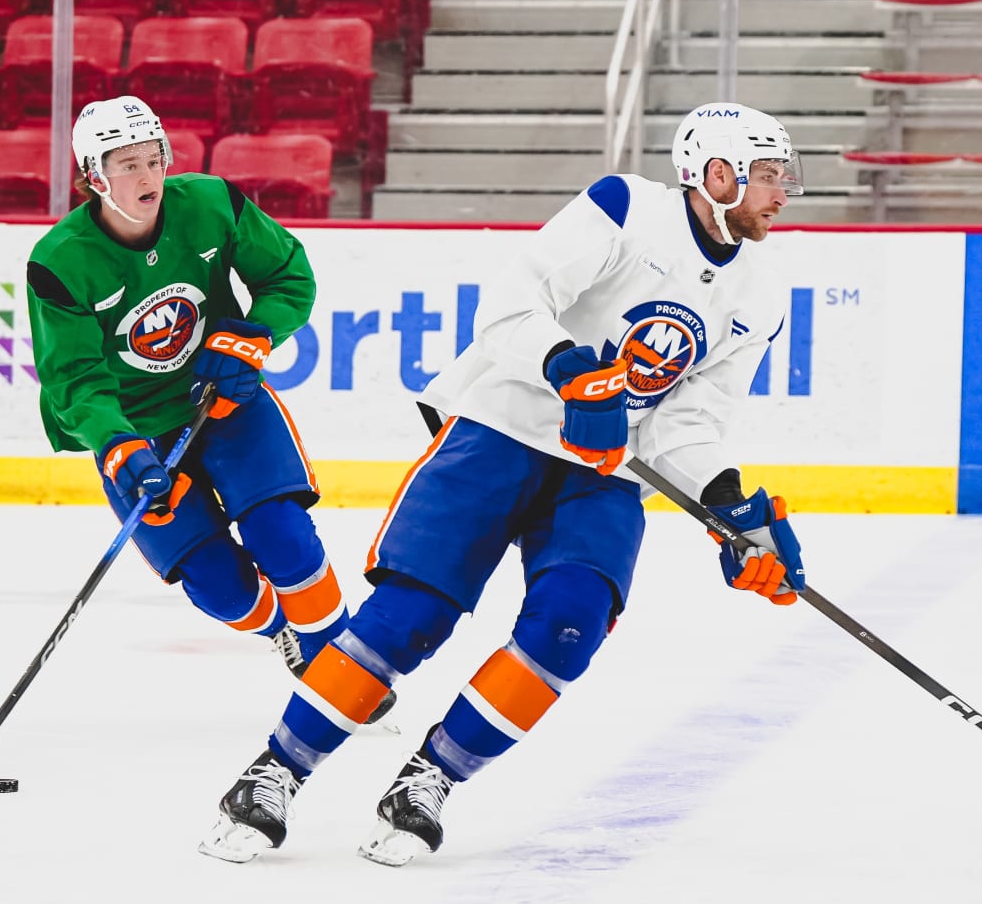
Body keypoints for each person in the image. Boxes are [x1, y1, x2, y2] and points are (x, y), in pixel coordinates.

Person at [198, 102, 810, 865]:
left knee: (570, 626)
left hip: (601, 472)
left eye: (783, 175)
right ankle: (275, 775)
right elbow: (509, 306)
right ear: (717, 174)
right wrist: (569, 370)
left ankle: (429, 781)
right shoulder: (625, 209)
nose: (782, 193)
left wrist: (731, 507)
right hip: (499, 430)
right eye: (767, 175)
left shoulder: (761, 297)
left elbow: (687, 424)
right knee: (409, 618)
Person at [27, 95, 391, 721]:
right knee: (220, 587)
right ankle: (282, 627)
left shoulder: (211, 204)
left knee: (283, 535)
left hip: (224, 402)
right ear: (94, 176)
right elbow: (75, 381)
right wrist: (118, 446)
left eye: (154, 158)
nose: (148, 176)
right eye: (128, 165)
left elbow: (288, 276)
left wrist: (249, 339)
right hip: (137, 431)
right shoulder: (59, 262)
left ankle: (341, 658)